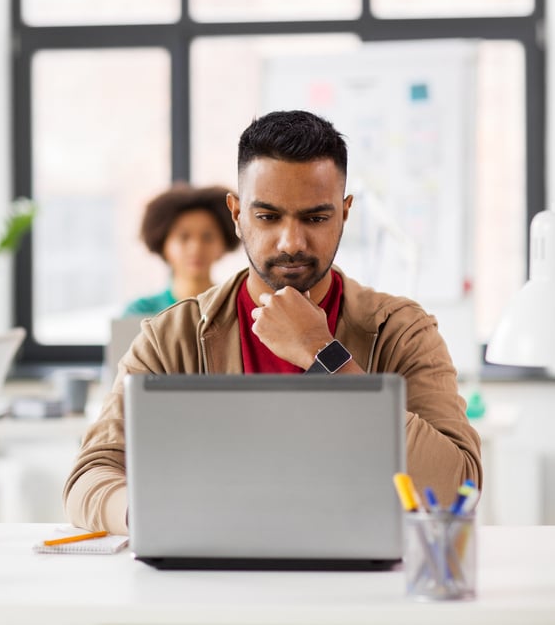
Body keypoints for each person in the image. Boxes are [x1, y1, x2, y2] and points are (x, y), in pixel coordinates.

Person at [65, 110, 482, 534]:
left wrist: (325, 354)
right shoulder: (171, 336)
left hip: (359, 585)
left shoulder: (403, 329)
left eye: (315, 218)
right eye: (268, 217)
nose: (292, 243)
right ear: (237, 213)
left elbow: (457, 486)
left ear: (344, 212)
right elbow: (89, 477)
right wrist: (154, 517)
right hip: (212, 581)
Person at [122, 183, 240, 317]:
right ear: (163, 245)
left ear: (224, 244)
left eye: (207, 237)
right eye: (183, 237)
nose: (196, 248)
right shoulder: (139, 312)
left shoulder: (237, 309)